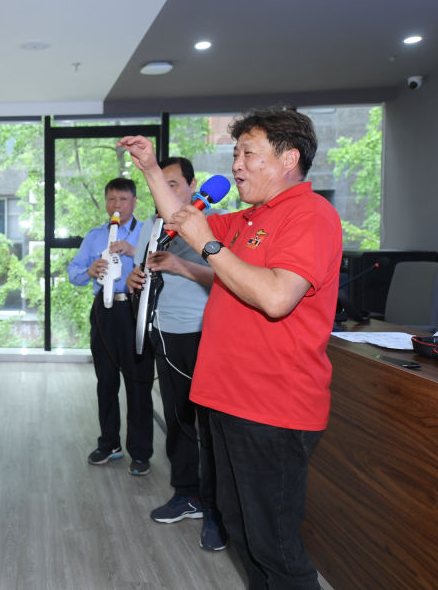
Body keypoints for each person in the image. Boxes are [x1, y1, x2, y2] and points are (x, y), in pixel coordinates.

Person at [121, 107, 342, 589]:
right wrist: (151, 168)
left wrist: (208, 245)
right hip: (227, 400)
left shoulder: (310, 215)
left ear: (289, 158)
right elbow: (178, 217)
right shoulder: (250, 217)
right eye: (235, 154)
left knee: (276, 549)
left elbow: (277, 298)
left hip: (272, 409)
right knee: (243, 533)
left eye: (248, 153)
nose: (236, 165)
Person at [125, 157, 226, 551]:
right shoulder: (152, 227)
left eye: (173, 184)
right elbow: (144, 271)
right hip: (164, 335)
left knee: (211, 427)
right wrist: (134, 279)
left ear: (193, 185)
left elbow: (227, 277)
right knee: (178, 419)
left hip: (205, 334)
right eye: (159, 184)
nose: (163, 192)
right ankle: (186, 493)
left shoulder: (214, 224)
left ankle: (216, 510)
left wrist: (181, 265)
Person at [67, 177, 154, 475]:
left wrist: (134, 251)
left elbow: (161, 265)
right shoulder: (94, 236)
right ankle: (109, 444)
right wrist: (89, 270)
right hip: (103, 313)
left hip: (135, 310)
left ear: (134, 202)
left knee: (138, 383)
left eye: (123, 199)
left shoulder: (146, 232)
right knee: (106, 381)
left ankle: (140, 453)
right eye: (111, 200)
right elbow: (73, 272)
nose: (116, 205)